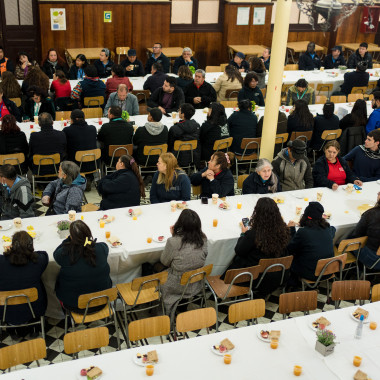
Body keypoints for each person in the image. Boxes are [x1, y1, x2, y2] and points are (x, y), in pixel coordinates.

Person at [222, 198, 291, 295]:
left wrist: (243, 234)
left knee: (238, 258)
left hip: (255, 277)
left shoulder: (254, 234)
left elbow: (239, 251)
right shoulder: (284, 230)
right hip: (279, 275)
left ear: (257, 214)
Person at [53, 220, 112, 314]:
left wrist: (68, 240)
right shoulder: (101, 248)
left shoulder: (64, 254)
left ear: (72, 237)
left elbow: (56, 253)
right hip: (102, 301)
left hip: (73, 305)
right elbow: (104, 246)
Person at [159, 209, 207, 320]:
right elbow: (204, 256)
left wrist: (174, 236)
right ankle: (182, 305)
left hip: (176, 285)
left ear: (180, 224)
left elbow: (164, 261)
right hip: (196, 282)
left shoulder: (173, 242)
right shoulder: (203, 239)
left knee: (152, 266)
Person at [0, 231, 48, 329]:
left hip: (5, 311)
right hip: (34, 310)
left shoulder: (2, 261)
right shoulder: (39, 261)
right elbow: (44, 254)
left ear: (12, 245)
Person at [288, 202, 335, 281]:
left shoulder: (303, 232)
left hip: (310, 273)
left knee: (291, 258)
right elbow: (333, 229)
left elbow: (290, 249)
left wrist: (292, 230)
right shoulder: (328, 229)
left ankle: (292, 282)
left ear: (305, 217)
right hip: (328, 271)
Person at [351, 191, 380, 271]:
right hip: (376, 257)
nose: (377, 193)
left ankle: (357, 271)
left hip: (373, 259)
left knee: (346, 240)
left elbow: (357, 234)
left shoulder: (371, 214)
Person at [63, 109, 98, 174]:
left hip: (75, 165)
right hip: (92, 164)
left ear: (74, 119)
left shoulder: (67, 130)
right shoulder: (92, 129)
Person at [168, 103, 200, 167]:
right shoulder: (197, 126)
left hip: (178, 157)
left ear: (183, 114)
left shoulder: (174, 129)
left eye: (179, 110)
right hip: (193, 156)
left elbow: (169, 144)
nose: (178, 112)